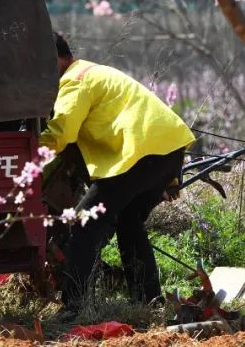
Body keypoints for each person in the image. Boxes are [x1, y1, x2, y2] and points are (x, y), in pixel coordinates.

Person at [42, 32, 195, 316]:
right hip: (168, 150)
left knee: (83, 224)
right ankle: (147, 301)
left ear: (54, 59)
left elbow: (61, 133)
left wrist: (26, 151)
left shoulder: (74, 81)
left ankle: (73, 307)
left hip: (138, 156)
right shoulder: (93, 72)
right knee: (129, 221)